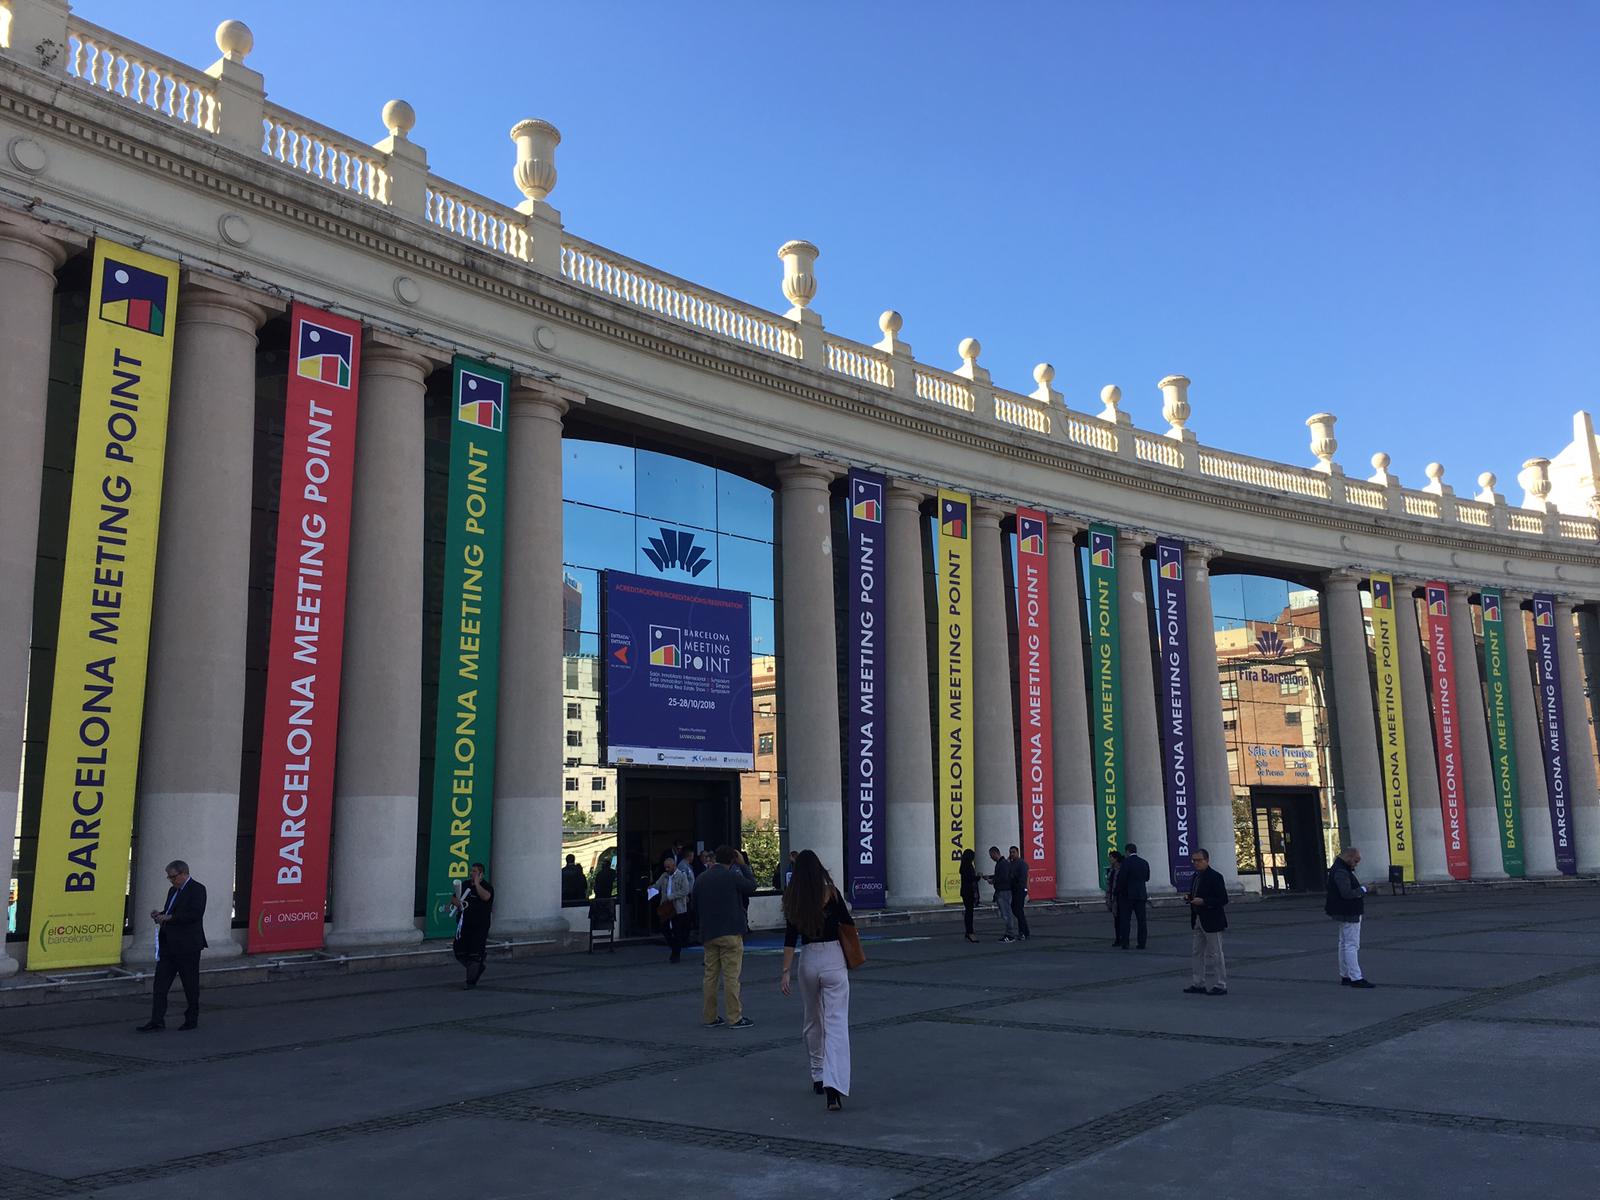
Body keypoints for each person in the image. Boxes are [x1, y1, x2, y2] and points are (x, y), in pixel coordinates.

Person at [780, 849, 855, 1112]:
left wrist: (785, 971)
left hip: (808, 959)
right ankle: (834, 1089)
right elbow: (848, 924)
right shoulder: (832, 893)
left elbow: (790, 937)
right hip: (833, 956)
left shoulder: (793, 896)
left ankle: (817, 1074)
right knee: (836, 1023)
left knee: (813, 1018)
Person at [137, 860, 207, 1032]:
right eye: (169, 877)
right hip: (168, 945)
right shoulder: (172, 890)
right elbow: (172, 912)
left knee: (190, 984)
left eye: (173, 876)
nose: (171, 880)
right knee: (160, 984)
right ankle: (157, 1020)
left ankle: (191, 1018)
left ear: (183, 873)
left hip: (187, 945)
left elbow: (195, 914)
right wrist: (160, 915)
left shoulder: (197, 889)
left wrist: (170, 918)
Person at [694, 845, 758, 1028]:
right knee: (731, 976)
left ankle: (710, 1017)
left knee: (710, 976)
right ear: (732, 860)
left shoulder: (702, 878)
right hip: (731, 932)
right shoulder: (733, 876)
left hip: (709, 933)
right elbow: (751, 887)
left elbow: (694, 905)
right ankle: (734, 1017)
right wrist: (744, 865)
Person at [1327, 846, 1375, 988]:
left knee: (1344, 943)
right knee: (1351, 945)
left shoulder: (1339, 868)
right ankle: (1356, 977)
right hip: (1349, 911)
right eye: (1355, 861)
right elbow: (1347, 893)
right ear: (1348, 857)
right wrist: (1364, 889)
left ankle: (1346, 975)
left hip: (1342, 910)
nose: (1356, 864)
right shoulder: (1342, 871)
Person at [1183, 849, 1229, 996]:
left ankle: (1220, 984)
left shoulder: (1215, 877)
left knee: (1215, 953)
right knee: (1196, 952)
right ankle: (1198, 983)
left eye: (1199, 860)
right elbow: (1196, 893)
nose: (1196, 863)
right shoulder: (1196, 877)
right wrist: (1189, 897)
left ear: (1207, 860)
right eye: (1194, 860)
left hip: (1212, 919)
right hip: (1198, 918)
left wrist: (1204, 902)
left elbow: (1223, 899)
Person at [449, 862, 494, 988]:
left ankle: (471, 981)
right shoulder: (465, 885)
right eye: (471, 871)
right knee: (459, 951)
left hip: (479, 926)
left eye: (474, 871)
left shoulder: (486, 887)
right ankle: (477, 967)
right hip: (464, 925)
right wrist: (456, 902)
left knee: (474, 954)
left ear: (481, 874)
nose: (471, 873)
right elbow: (453, 898)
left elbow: (486, 897)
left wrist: (477, 884)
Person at [655, 851, 691, 962]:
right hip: (666, 907)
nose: (667, 869)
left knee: (677, 930)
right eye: (665, 867)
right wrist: (651, 888)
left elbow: (685, 891)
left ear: (674, 866)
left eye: (668, 867)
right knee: (664, 928)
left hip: (678, 907)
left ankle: (676, 953)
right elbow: (657, 885)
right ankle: (674, 947)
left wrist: (671, 896)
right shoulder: (664, 876)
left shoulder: (681, 876)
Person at [1114, 841, 1150, 949]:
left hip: (1127, 895)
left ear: (1127, 852)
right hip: (1141, 894)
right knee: (1142, 920)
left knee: (1125, 920)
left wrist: (1117, 892)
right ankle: (1142, 943)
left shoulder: (1126, 863)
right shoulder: (1144, 862)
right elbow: (1147, 878)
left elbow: (1122, 879)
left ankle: (1125, 942)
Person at [985, 846, 1017, 943]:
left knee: (1006, 913)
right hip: (1003, 890)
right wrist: (991, 877)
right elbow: (1001, 876)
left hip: (1004, 891)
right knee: (1006, 913)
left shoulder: (1002, 864)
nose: (991, 858)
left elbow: (1003, 877)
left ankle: (1010, 934)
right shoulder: (1002, 863)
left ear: (995, 853)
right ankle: (1009, 933)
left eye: (991, 856)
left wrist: (993, 881)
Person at [1007, 846, 1031, 941]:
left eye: (1013, 852)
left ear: (1018, 852)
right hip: (1014, 890)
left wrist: (1014, 879)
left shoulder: (1022, 863)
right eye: (1010, 852)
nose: (1012, 854)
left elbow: (1022, 878)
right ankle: (1025, 930)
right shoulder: (1011, 863)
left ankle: (1023, 932)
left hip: (1020, 889)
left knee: (1018, 910)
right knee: (1016, 910)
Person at [959, 848, 980, 943]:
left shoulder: (964, 865)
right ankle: (970, 931)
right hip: (968, 891)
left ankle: (969, 931)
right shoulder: (968, 866)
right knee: (969, 912)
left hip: (965, 891)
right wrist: (978, 877)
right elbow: (970, 878)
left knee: (969, 911)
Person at [1105, 850, 1124, 946]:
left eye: (1111, 857)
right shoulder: (1111, 869)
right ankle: (1118, 938)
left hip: (1120, 897)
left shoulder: (1122, 869)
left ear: (1116, 858)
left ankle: (1122, 938)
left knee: (1121, 919)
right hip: (1112, 897)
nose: (1109, 859)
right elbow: (1109, 884)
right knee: (1116, 919)